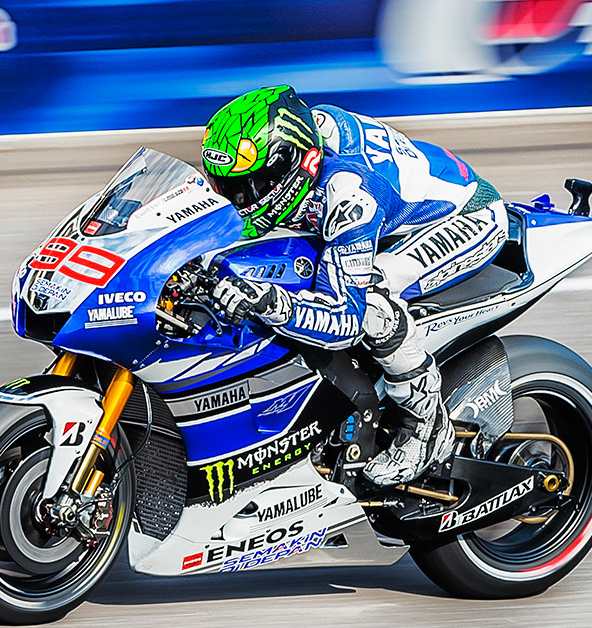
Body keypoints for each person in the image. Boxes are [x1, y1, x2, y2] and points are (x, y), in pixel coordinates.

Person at [201, 86, 507, 486]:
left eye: (251, 186)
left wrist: (272, 303)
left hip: (466, 216)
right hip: (400, 205)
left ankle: (427, 427)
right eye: (227, 186)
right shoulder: (303, 140)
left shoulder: (349, 197)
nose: (239, 199)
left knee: (375, 305)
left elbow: (344, 318)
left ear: (297, 164)